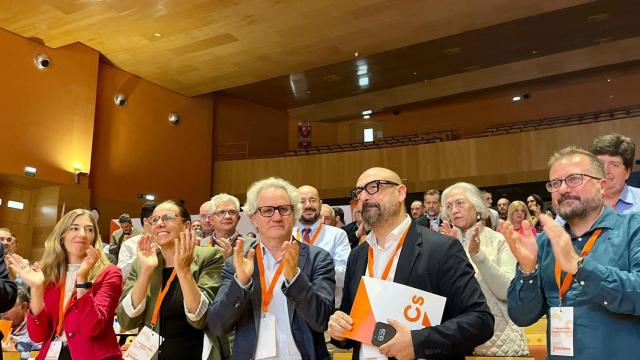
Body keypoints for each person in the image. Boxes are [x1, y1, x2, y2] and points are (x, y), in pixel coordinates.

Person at [329, 167, 494, 359]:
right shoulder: (358, 255)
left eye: (374, 187)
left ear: (400, 192)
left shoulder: (441, 249)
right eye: (359, 192)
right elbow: (350, 321)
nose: (364, 196)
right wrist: (339, 331)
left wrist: (417, 342)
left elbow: (480, 321)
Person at [503, 146, 640, 359]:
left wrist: (579, 267)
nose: (563, 189)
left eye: (574, 179)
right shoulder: (545, 244)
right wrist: (527, 270)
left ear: (601, 186)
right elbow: (522, 316)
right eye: (555, 183)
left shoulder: (633, 229)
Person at [207, 177, 335, 359]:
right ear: (254, 219)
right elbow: (218, 325)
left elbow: (321, 321)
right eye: (267, 211)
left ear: (294, 214)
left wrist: (295, 279)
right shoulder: (238, 263)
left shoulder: (318, 258)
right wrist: (241, 284)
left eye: (284, 209)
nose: (276, 217)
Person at [117, 200, 229, 360]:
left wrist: (183, 271)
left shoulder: (209, 257)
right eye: (154, 220)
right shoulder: (142, 262)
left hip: (194, 353)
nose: (160, 224)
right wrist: (146, 271)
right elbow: (126, 321)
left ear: (187, 226)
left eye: (168, 218)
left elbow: (201, 319)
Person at [6, 209, 122, 360]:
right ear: (62, 236)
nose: (82, 234)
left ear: (94, 238)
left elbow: (93, 327)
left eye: (89, 229)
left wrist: (82, 279)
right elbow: (38, 336)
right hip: (53, 354)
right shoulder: (48, 275)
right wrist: (36, 289)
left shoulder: (110, 274)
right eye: (74, 228)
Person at [440, 183, 528, 356]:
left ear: (477, 206)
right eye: (449, 206)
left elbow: (506, 291)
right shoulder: (443, 244)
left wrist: (478, 255)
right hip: (454, 340)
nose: (454, 210)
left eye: (460, 203)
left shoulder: (498, 241)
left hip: (496, 339)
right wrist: (451, 252)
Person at [295, 185, 350, 306]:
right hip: (294, 306)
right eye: (302, 201)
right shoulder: (288, 236)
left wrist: (303, 275)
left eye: (313, 200)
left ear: (320, 204)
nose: (308, 205)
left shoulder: (338, 235)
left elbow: (344, 272)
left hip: (328, 305)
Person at [589, 133, 640, 213]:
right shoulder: (577, 202)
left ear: (627, 172)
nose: (605, 170)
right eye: (600, 163)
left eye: (614, 165)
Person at [200, 193, 257, 258]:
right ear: (211, 219)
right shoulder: (202, 244)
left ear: (238, 218)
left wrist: (230, 258)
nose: (227, 216)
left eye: (232, 212)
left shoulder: (251, 244)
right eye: (221, 212)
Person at [117, 202, 157, 279]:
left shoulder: (166, 242)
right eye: (156, 219)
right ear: (146, 221)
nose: (160, 223)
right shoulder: (129, 244)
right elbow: (122, 274)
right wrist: (140, 256)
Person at [1, 287, 41, 359]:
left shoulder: (36, 332)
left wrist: (13, 353)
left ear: (24, 307)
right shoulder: (1, 330)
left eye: (8, 306)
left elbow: (40, 356)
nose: (3, 312)